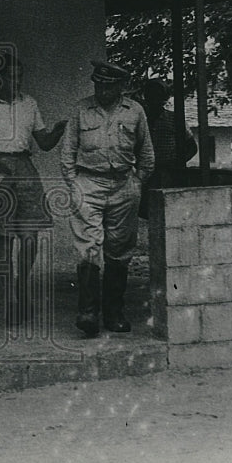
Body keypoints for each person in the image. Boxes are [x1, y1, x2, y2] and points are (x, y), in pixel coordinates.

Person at [0, 52, 66, 324]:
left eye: (20, 77)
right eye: (11, 77)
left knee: (30, 238)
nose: (16, 81)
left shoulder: (29, 103)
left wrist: (59, 130)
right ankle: (10, 297)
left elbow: (43, 142)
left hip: (25, 169)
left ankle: (22, 285)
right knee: (5, 239)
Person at [61, 60, 154, 337]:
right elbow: (67, 152)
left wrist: (137, 182)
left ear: (121, 87)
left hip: (124, 185)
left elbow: (146, 153)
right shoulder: (81, 109)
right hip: (88, 183)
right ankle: (88, 312)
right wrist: (74, 184)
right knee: (88, 245)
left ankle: (114, 312)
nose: (102, 90)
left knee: (119, 249)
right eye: (98, 85)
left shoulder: (135, 111)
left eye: (108, 85)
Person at [140, 79, 197, 217]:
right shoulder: (139, 119)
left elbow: (192, 147)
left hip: (168, 173)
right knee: (144, 211)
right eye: (151, 96)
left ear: (164, 98)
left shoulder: (174, 119)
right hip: (144, 172)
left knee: (168, 210)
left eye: (158, 96)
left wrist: (177, 164)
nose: (154, 100)